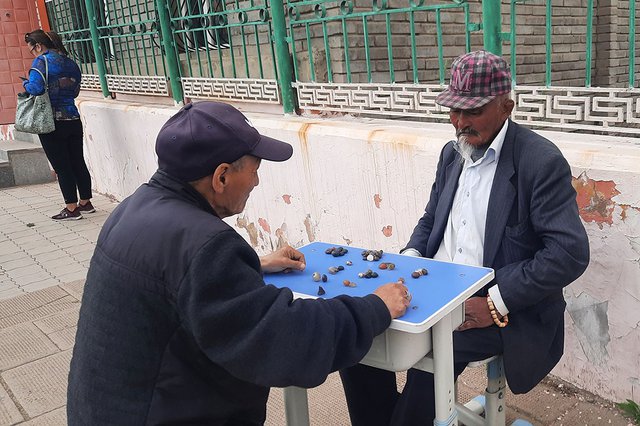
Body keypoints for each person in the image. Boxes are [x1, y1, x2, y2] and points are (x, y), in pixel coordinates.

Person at [67, 101, 411, 425]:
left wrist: (254, 265)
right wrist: (374, 307)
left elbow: (170, 281)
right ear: (221, 177)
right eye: (255, 170)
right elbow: (285, 339)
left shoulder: (134, 209)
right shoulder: (207, 247)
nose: (257, 182)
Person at [339, 50, 590, 425]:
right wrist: (410, 262)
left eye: (472, 111)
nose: (458, 121)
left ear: (507, 106)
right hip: (433, 288)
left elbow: (569, 253)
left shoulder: (539, 162)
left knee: (429, 368)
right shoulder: (451, 153)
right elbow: (431, 220)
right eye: (453, 110)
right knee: (357, 340)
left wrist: (494, 303)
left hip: (497, 308)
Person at [22, 30, 94, 221]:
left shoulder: (41, 62)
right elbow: (75, 91)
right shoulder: (70, 63)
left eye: (32, 50)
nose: (33, 54)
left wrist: (26, 84)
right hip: (73, 118)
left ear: (38, 46)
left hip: (51, 122)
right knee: (78, 161)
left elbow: (36, 88)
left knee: (62, 167)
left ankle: (71, 209)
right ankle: (85, 203)